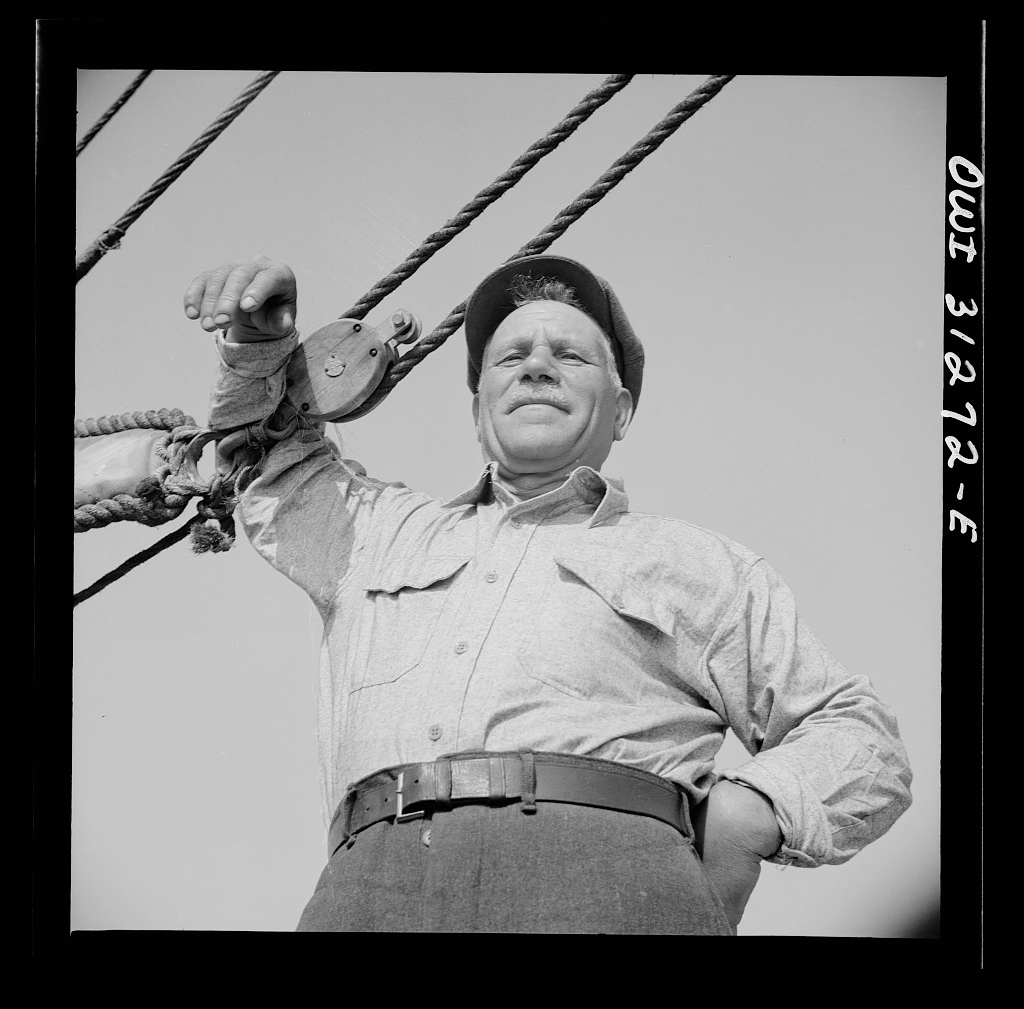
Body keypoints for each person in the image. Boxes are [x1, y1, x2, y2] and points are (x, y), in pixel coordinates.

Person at [185, 253, 912, 934]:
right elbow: (267, 458)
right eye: (511, 355)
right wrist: (257, 347)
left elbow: (860, 735)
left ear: (621, 411)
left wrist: (752, 811)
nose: (536, 365)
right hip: (367, 894)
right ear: (477, 412)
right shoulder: (375, 532)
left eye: (569, 355)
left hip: (611, 888)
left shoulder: (699, 561)